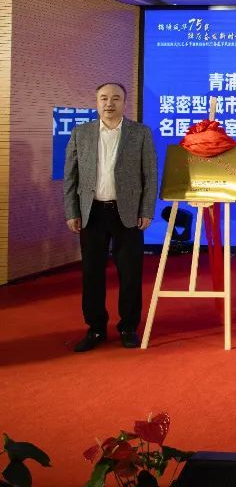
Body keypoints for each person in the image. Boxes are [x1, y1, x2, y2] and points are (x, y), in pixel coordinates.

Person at [63, 82, 157, 351]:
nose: (109, 103)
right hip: (91, 212)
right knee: (92, 273)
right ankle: (95, 328)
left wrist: (146, 210)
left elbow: (150, 175)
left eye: (116, 98)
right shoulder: (81, 133)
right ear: (96, 102)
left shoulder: (140, 133)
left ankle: (128, 327)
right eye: (103, 98)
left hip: (127, 213)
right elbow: (71, 176)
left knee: (130, 273)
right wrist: (72, 211)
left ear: (124, 103)